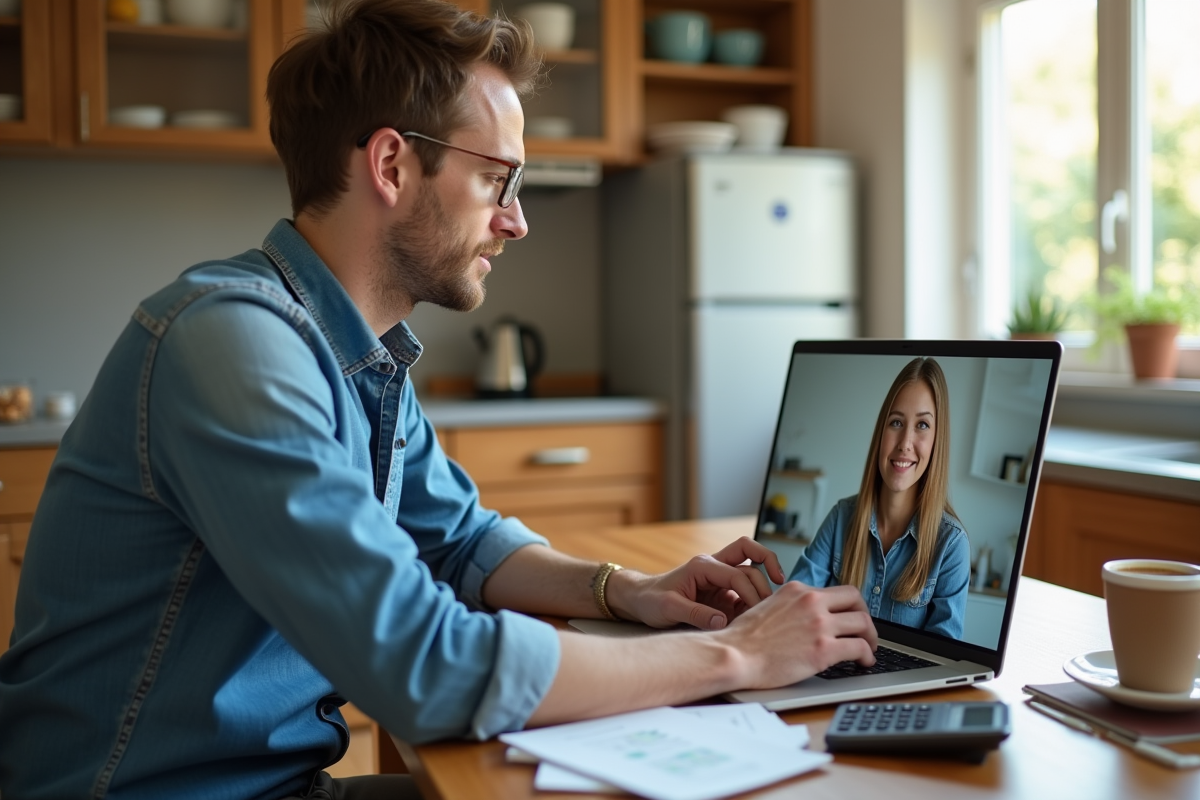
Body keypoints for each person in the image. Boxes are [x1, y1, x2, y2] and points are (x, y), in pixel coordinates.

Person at [0, 2, 878, 798]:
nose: (517, 218)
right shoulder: (233, 345)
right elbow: (428, 667)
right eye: (500, 178)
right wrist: (734, 653)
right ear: (390, 163)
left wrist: (630, 593)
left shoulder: (357, 354)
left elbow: (462, 541)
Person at [789, 357, 970, 638]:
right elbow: (793, 607)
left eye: (922, 425)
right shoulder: (841, 517)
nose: (905, 443)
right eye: (896, 422)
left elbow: (942, 660)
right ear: (880, 433)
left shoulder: (951, 545)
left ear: (937, 441)